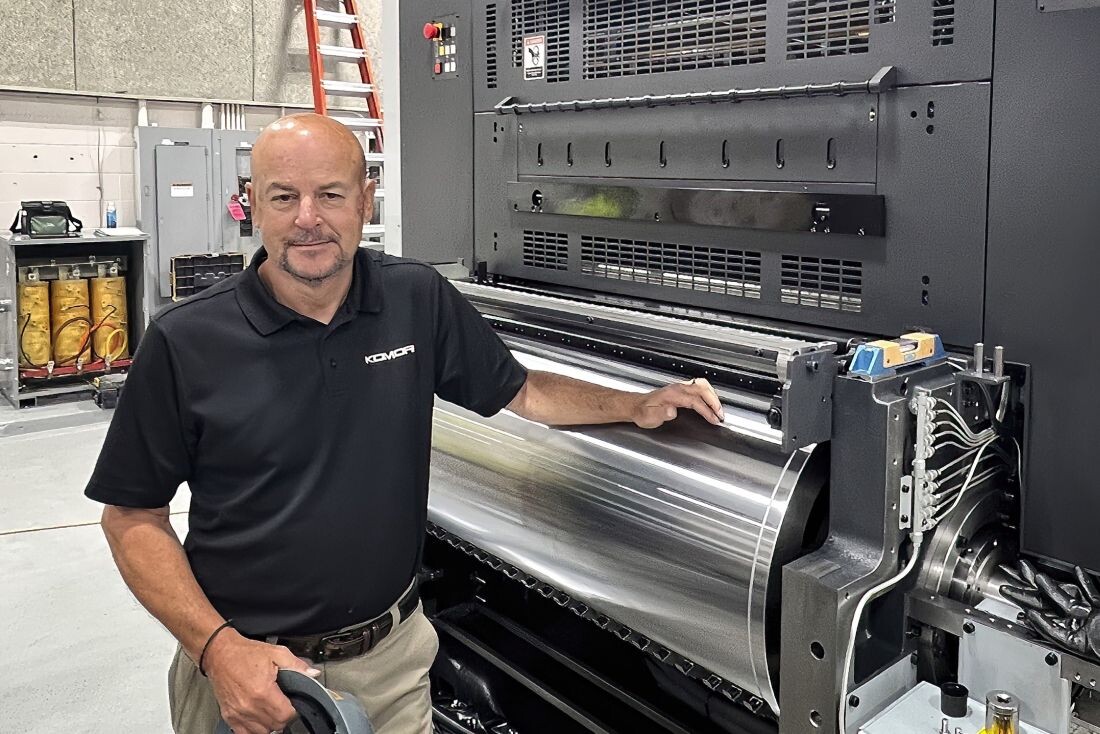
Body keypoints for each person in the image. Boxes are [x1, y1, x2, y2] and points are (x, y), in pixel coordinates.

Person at [86, 113, 724, 734]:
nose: (307, 218)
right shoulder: (187, 340)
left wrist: (634, 404)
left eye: (330, 194)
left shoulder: (415, 299)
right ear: (252, 204)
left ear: (365, 200)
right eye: (284, 197)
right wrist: (218, 650)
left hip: (390, 666)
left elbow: (524, 391)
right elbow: (132, 518)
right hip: (250, 678)